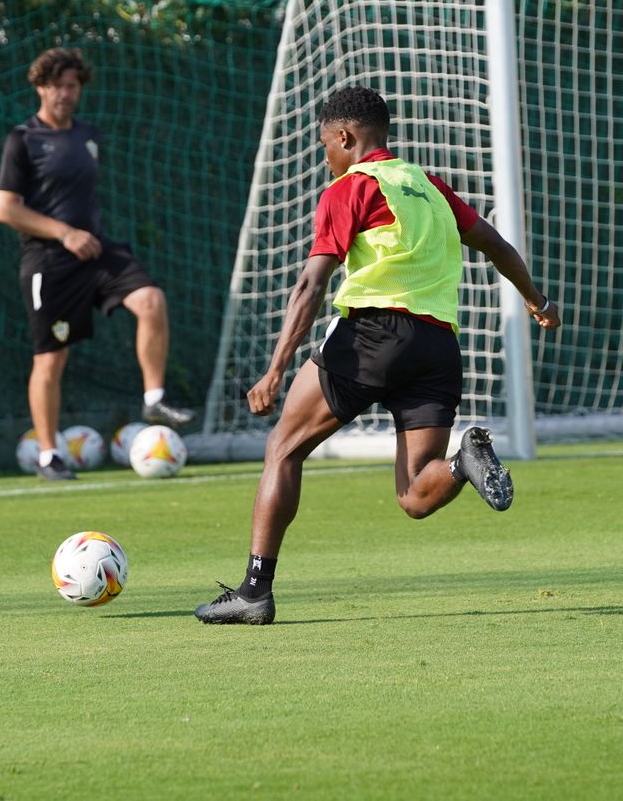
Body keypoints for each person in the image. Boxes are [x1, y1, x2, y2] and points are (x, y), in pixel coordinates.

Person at [195, 85, 561, 625]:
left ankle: (254, 591)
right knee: (415, 494)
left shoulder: (350, 187)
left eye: (326, 147)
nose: (326, 159)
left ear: (344, 137)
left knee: (283, 447)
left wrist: (275, 368)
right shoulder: (429, 185)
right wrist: (538, 300)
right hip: (437, 348)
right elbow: (498, 246)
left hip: (374, 335)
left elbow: (310, 285)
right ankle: (463, 463)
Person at [0, 47, 193, 481]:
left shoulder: (88, 134)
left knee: (151, 299)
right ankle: (49, 455)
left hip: (97, 253)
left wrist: (83, 235)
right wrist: (63, 232)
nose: (66, 93)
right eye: (57, 85)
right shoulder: (22, 139)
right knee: (51, 359)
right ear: (40, 86)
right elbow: (5, 208)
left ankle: (154, 395)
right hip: (50, 262)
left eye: (73, 86)